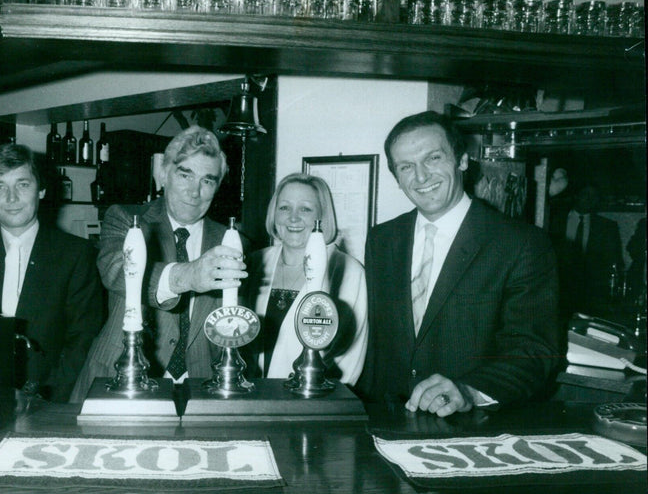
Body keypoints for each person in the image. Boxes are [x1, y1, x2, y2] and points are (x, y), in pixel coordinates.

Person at [356, 111, 562, 417]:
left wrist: (468, 391)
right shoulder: (382, 239)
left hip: (469, 427)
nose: (421, 176)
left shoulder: (521, 243)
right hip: (387, 420)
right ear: (397, 178)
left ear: (463, 161)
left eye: (433, 158)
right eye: (406, 167)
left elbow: (533, 352)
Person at [71, 126, 247, 402]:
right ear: (163, 174)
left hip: (203, 388)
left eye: (208, 181)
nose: (194, 191)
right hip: (121, 379)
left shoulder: (233, 241)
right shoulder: (126, 219)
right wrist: (187, 276)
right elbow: (117, 271)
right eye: (185, 174)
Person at [0, 143, 104, 402]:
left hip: (47, 399)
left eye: (23, 184)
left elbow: (83, 339)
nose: (11, 198)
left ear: (41, 190)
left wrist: (44, 395)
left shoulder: (76, 254)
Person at [242, 173, 367, 385]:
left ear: (322, 217)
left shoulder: (348, 271)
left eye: (305, 209)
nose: (293, 217)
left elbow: (350, 356)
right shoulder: (255, 263)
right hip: (253, 399)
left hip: (311, 403)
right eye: (284, 207)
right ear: (274, 214)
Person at [549, 182, 624, 317]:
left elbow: (614, 260)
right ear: (576, 196)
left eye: (594, 196)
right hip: (558, 285)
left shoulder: (607, 227)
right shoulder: (554, 220)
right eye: (586, 195)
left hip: (591, 291)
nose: (590, 199)